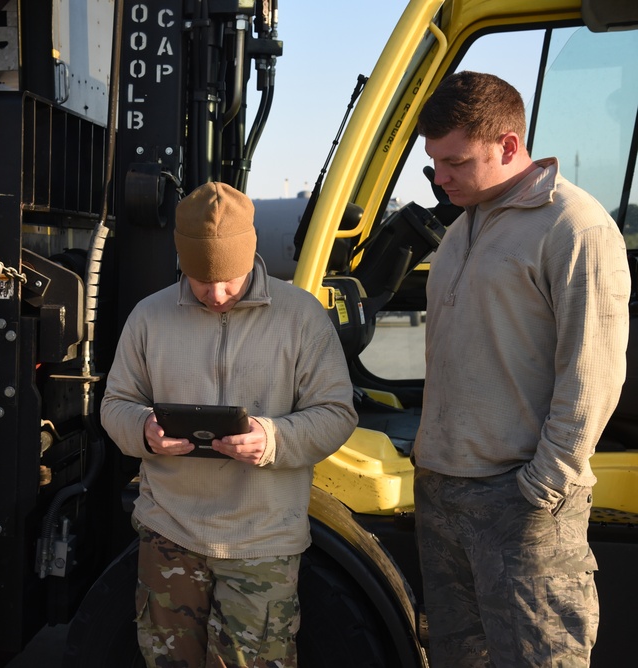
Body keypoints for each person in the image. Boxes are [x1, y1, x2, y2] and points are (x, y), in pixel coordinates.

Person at [412, 71, 630, 667]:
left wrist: (543, 486)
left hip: (521, 504)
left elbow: (595, 371)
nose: (440, 178)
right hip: (443, 495)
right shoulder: (461, 226)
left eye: (454, 162)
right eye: (433, 164)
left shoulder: (574, 228)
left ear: (508, 146)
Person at [100, 181, 358, 667]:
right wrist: (143, 431)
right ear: (181, 262)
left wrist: (273, 439)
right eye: (201, 281)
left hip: (262, 541)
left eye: (230, 280)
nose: (216, 294)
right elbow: (115, 404)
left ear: (251, 256)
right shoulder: (149, 318)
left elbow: (337, 414)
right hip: (169, 537)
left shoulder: (301, 317)